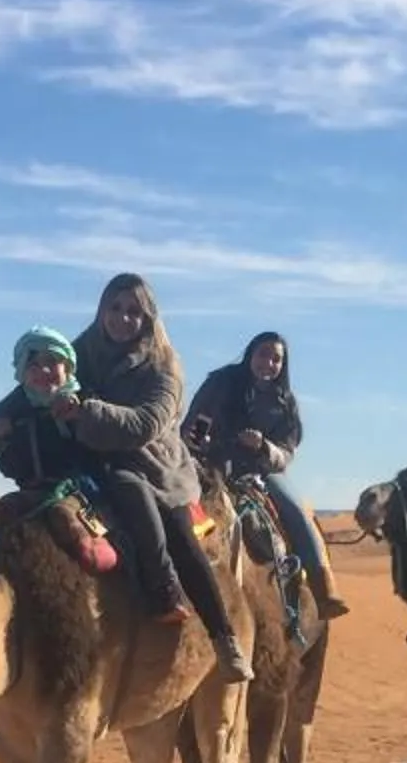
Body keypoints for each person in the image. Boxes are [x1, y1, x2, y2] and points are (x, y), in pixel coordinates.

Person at [69, 273, 254, 684]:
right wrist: (0, 423)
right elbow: (40, 378)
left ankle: (222, 636)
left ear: (149, 318)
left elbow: (144, 424)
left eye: (134, 312)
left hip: (152, 465)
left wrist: (87, 411)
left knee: (176, 532)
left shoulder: (164, 367)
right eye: (114, 308)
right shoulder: (79, 352)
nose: (122, 318)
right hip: (85, 460)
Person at [183, 329, 348, 622]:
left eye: (277, 359)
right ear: (250, 354)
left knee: (296, 511)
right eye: (263, 355)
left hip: (260, 471)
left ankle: (324, 588)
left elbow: (287, 452)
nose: (268, 363)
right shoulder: (221, 384)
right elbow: (195, 423)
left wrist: (263, 446)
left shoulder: (285, 402)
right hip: (211, 465)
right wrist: (200, 444)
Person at [0, 328, 118, 573]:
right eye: (33, 365)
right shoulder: (19, 401)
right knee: (5, 510)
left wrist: (80, 414)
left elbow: (104, 428)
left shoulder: (82, 397)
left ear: (68, 366)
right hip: (34, 489)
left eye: (52, 362)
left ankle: (98, 553)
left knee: (62, 515)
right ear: (22, 371)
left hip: (76, 488)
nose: (44, 371)